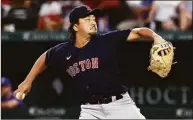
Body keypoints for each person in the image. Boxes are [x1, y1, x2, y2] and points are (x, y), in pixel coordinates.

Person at [14, 5, 166, 119]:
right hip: (90, 110)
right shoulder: (64, 51)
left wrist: (156, 37)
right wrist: (28, 81)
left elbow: (138, 32)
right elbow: (45, 57)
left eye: (94, 19)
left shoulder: (106, 39)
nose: (93, 22)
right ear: (75, 26)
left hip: (119, 105)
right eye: (87, 19)